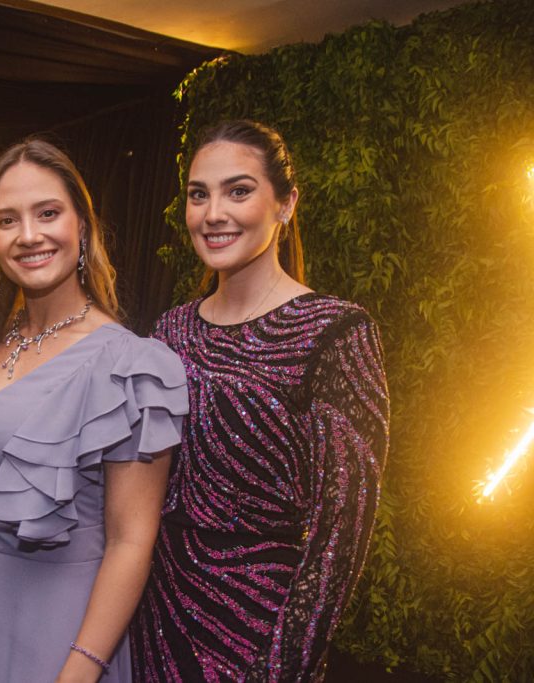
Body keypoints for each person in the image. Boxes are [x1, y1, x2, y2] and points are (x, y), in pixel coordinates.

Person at [0, 139, 188, 682]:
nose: (29, 235)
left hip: (66, 633)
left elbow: (131, 541)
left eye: (48, 213)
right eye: (7, 220)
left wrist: (81, 670)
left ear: (82, 225)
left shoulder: (131, 365)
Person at [130, 120, 390, 681]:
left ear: (285, 204)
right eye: (199, 194)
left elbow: (341, 534)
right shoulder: (170, 331)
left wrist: (283, 666)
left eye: (238, 190)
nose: (213, 213)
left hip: (262, 632)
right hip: (157, 615)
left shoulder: (334, 331)